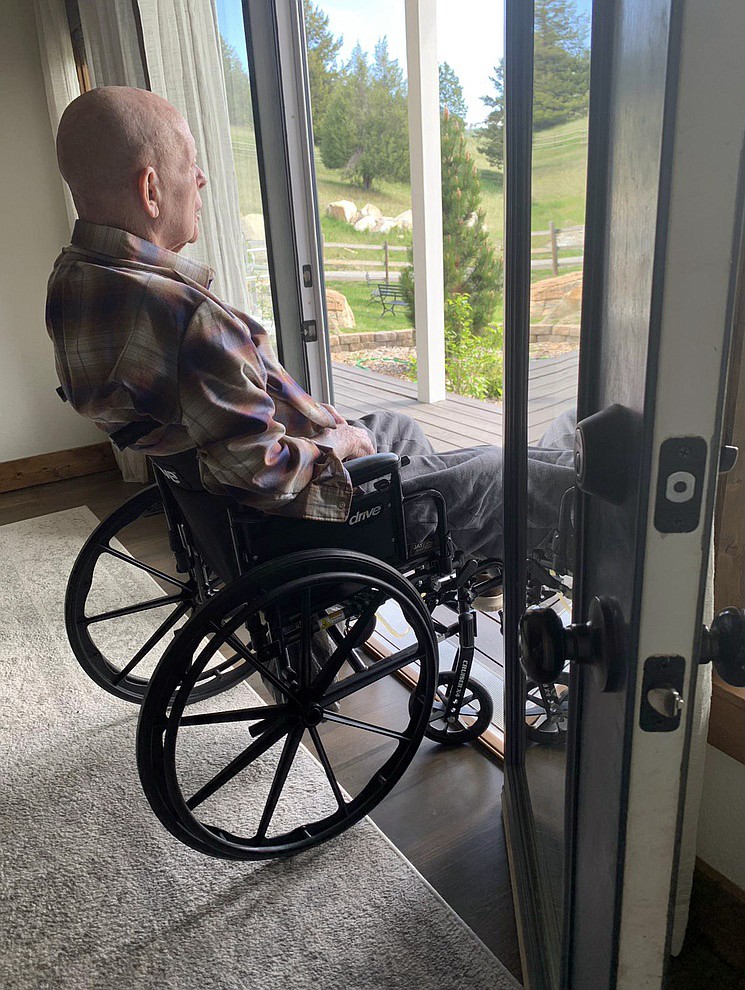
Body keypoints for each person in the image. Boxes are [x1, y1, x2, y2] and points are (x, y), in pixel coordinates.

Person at [47, 86, 574, 565]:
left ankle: (464, 539)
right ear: (152, 190)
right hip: (315, 519)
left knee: (401, 427)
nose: (202, 177)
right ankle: (577, 499)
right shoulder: (186, 321)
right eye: (190, 163)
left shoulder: (75, 285)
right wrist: (339, 445)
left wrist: (333, 430)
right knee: (496, 472)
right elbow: (262, 473)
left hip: (228, 506)